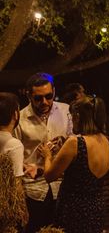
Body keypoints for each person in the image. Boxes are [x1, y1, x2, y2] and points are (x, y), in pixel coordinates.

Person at [41, 96, 109, 233]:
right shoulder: (105, 140)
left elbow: (49, 176)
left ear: (77, 116)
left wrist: (47, 156)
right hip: (96, 209)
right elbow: (82, 172)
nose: (71, 121)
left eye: (71, 117)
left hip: (74, 210)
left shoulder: (75, 143)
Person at [14, 72, 73, 233]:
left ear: (54, 91)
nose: (45, 102)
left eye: (48, 96)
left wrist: (65, 142)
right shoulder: (20, 118)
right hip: (34, 190)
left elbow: (75, 144)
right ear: (29, 95)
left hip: (62, 187)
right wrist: (27, 167)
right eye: (38, 98)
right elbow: (15, 156)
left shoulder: (66, 111)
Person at [0, 92, 28, 232]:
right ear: (15, 115)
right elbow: (17, 185)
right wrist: (22, 211)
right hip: (4, 212)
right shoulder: (14, 144)